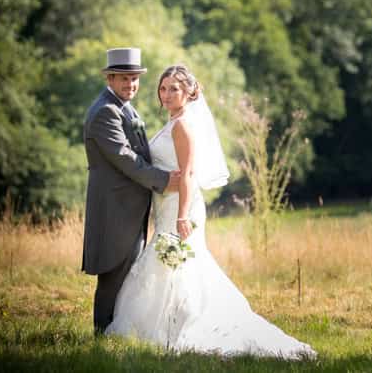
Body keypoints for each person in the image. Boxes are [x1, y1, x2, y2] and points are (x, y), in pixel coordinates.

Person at [106, 64, 316, 359]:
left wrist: (181, 216)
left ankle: (182, 327)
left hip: (182, 208)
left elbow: (189, 175)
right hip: (167, 204)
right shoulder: (173, 121)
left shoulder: (182, 126)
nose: (166, 94)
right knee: (172, 267)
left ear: (190, 92)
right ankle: (167, 325)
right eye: (163, 88)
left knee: (179, 265)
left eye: (174, 89)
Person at [83, 47, 181, 335]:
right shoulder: (105, 111)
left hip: (130, 208)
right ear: (110, 79)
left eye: (135, 79)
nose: (131, 85)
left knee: (127, 273)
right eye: (124, 79)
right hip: (115, 209)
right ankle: (102, 333)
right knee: (113, 274)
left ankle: (116, 331)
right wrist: (164, 180)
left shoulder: (123, 107)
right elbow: (125, 158)